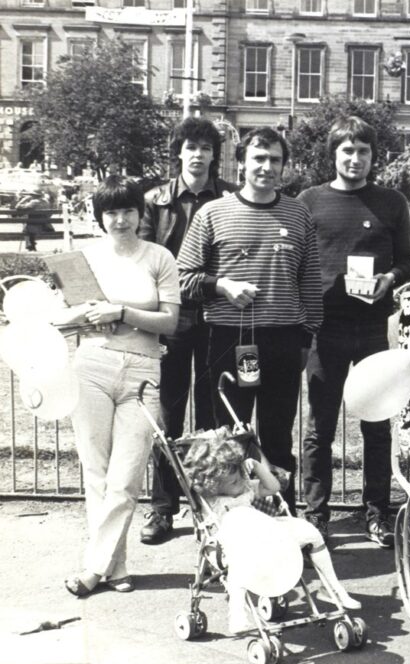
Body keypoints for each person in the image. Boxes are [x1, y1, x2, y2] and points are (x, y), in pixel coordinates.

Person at [177, 127, 323, 516]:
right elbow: (182, 277)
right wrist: (222, 285)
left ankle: (283, 519)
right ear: (241, 163)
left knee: (277, 436)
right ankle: (229, 524)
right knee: (228, 438)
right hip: (226, 338)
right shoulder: (213, 213)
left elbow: (309, 280)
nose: (267, 167)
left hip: (283, 339)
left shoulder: (298, 213)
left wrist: (307, 334)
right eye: (258, 158)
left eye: (275, 159)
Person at [297, 116, 410, 548]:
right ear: (333, 154)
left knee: (377, 425)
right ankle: (316, 515)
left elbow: (406, 260)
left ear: (372, 156)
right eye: (347, 150)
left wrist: (390, 279)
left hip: (370, 328)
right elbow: (296, 261)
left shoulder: (391, 202)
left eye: (363, 150)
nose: (355, 158)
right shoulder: (309, 201)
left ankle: (377, 514)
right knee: (319, 428)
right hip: (325, 329)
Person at [62, 176, 181, 597]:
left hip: (143, 370)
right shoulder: (85, 258)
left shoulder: (160, 257)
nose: (120, 219)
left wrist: (121, 311)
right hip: (90, 365)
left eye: (128, 210)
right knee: (96, 473)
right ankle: (116, 567)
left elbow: (170, 322)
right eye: (110, 212)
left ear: (139, 213)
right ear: (100, 218)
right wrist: (80, 316)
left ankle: (91, 570)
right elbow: (64, 318)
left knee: (125, 477)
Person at [138, 116, 237, 545]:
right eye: (189, 146)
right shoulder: (155, 201)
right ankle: (163, 508)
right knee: (169, 417)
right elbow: (143, 260)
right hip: (172, 320)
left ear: (216, 154)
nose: (197, 154)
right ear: (178, 152)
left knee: (215, 417)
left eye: (205, 147)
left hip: (217, 317)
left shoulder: (231, 198)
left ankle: (213, 507)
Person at [182, 428, 360, 633]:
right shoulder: (211, 502)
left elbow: (274, 487)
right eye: (233, 481)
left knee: (311, 532)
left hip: (266, 536)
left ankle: (333, 589)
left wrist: (256, 466)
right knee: (235, 527)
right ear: (214, 485)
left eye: (240, 474)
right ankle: (237, 613)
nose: (240, 480)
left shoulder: (246, 488)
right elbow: (196, 485)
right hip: (234, 547)